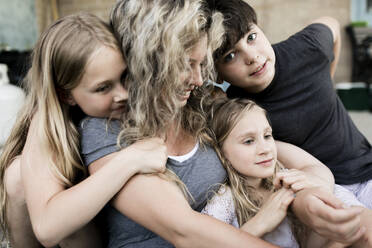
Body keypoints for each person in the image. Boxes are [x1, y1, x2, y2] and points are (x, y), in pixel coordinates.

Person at [79, 0, 282, 247]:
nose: (198, 79)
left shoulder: (197, 106)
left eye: (201, 64)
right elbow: (184, 231)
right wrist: (262, 222)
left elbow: (260, 141)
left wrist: (314, 181)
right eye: (186, 65)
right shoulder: (107, 130)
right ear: (149, 62)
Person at [207, 0, 372, 244]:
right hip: (310, 189)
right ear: (217, 72)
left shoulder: (307, 49)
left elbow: (332, 26)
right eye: (231, 56)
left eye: (251, 37)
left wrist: (326, 82)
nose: (252, 57)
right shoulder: (237, 110)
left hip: (363, 168)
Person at [0, 13, 167, 248]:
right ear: (65, 95)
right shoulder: (48, 124)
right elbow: (47, 229)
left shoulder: (141, 96)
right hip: (83, 236)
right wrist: (129, 160)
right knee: (17, 176)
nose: (123, 94)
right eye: (103, 88)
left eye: (124, 76)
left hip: (128, 226)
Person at [202, 97, 372, 248]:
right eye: (248, 141)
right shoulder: (226, 199)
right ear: (220, 150)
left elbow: (320, 173)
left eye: (267, 136)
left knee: (363, 224)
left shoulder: (284, 175)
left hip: (336, 225)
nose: (265, 149)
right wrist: (260, 223)